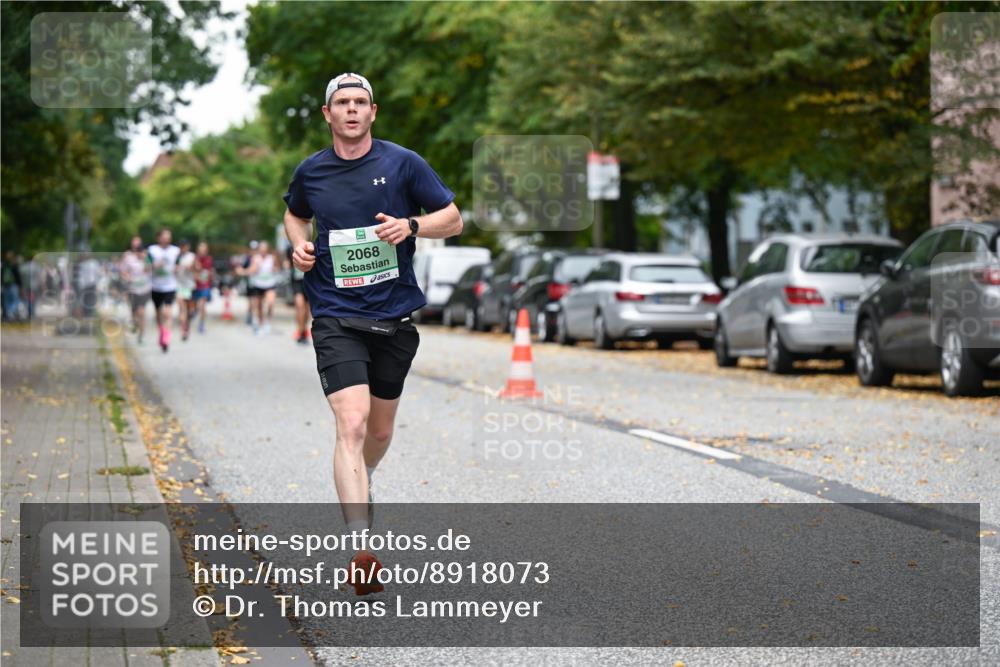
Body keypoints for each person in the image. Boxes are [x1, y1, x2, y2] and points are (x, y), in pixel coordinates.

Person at [283, 72, 463, 594]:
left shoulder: (402, 162)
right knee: (353, 422)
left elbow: (452, 218)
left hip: (394, 318)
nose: (352, 110)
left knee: (378, 435)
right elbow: (295, 217)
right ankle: (360, 545)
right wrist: (299, 246)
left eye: (360, 102)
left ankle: (363, 482)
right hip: (336, 314)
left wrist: (411, 226)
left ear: (373, 111)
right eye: (342, 103)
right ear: (328, 115)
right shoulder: (311, 172)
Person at [148, 228, 180, 353]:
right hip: (155, 286)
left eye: (169, 237)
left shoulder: (175, 251)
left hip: (170, 286)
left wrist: (177, 269)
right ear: (159, 237)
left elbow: (178, 265)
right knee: (158, 314)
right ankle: (161, 332)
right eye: (165, 236)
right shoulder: (152, 250)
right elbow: (146, 266)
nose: (167, 239)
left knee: (168, 313)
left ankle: (166, 338)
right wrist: (155, 265)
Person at [120, 236, 152, 343]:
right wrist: (127, 277)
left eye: (138, 242)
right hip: (132, 290)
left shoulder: (147, 256)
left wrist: (146, 259)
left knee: (141, 312)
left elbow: (152, 269)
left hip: (145, 289)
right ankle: (135, 324)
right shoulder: (127, 256)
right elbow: (122, 271)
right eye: (134, 242)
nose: (136, 244)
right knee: (134, 313)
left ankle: (141, 336)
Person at [246, 240, 278, 335]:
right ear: (259, 250)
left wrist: (274, 269)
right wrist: (253, 269)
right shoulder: (255, 258)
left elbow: (277, 268)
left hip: (270, 284)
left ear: (267, 250)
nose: (263, 251)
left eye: (265, 249)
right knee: (259, 306)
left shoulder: (272, 258)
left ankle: (268, 321)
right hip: (258, 284)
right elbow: (251, 269)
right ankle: (261, 324)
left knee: (270, 303)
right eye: (261, 249)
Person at [286, 243, 311, 344]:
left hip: (309, 281)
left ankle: (304, 329)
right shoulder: (289, 248)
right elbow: (287, 262)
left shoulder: (310, 246)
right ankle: (300, 331)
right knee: (300, 306)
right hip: (296, 282)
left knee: (307, 310)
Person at [175, 240, 196, 341]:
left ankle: (187, 327)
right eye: (182, 246)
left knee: (188, 310)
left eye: (185, 246)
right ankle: (183, 330)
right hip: (179, 285)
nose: (183, 248)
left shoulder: (191, 256)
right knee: (181, 308)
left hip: (189, 286)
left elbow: (195, 268)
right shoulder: (177, 256)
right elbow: (172, 269)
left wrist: (190, 267)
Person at [193, 241, 214, 334]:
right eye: (201, 249)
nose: (202, 251)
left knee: (202, 305)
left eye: (204, 249)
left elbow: (211, 272)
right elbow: (192, 272)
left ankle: (201, 324)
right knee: (196, 306)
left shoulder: (209, 259)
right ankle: (194, 313)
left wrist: (210, 275)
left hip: (205, 285)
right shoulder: (194, 259)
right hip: (195, 286)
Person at [1, 251, 23, 321]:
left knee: (7, 300)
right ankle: (11, 312)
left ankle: (8, 314)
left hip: (5, 285)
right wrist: (20, 286)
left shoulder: (4, 265)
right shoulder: (14, 265)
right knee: (15, 300)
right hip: (13, 285)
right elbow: (18, 276)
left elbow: (1, 276)